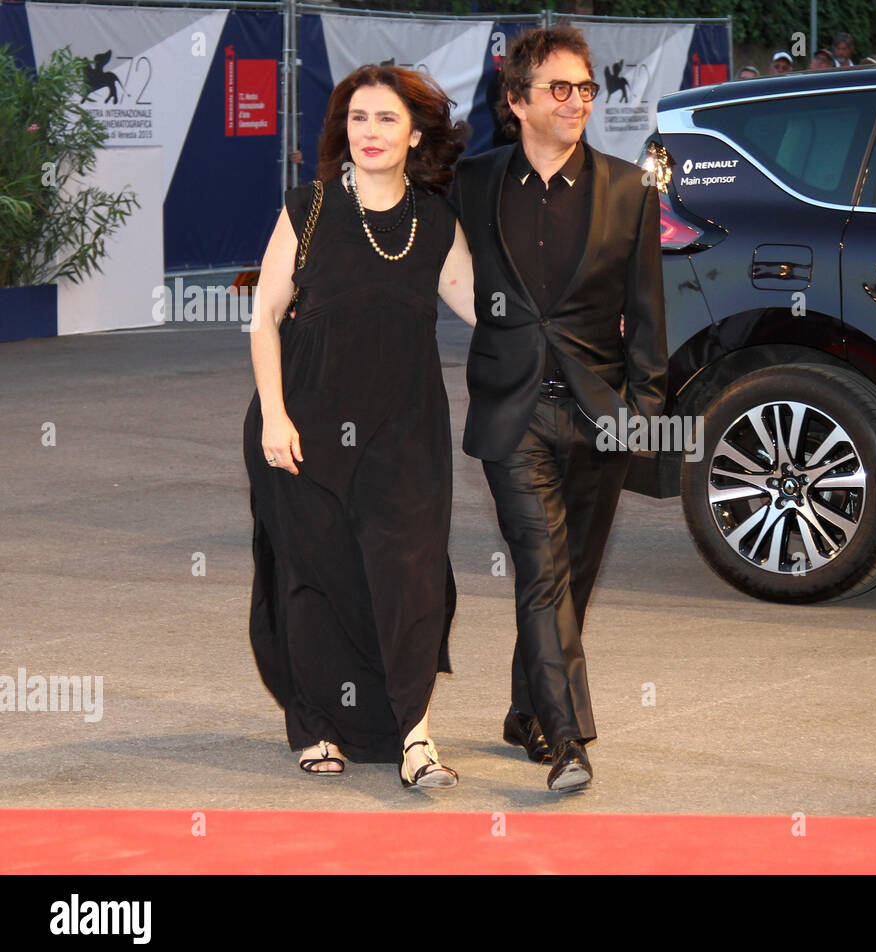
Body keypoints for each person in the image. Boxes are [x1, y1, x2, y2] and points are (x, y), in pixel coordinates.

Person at [243, 64, 476, 790]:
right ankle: (317, 725)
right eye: (357, 118)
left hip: (405, 432)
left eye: (385, 119)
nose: (369, 133)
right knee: (316, 577)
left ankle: (415, 736)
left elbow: (487, 311)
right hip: (303, 425)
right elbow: (263, 318)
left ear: (414, 134)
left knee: (410, 577)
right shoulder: (309, 207)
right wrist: (274, 415)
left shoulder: (435, 222)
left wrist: (592, 314)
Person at [449, 25, 668, 792]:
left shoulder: (629, 189)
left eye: (585, 88)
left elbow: (647, 316)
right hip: (513, 414)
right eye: (559, 89)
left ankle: (523, 711)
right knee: (542, 571)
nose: (577, 101)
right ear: (517, 101)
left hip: (599, 415)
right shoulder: (473, 185)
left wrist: (643, 411)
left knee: (570, 581)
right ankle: (567, 737)